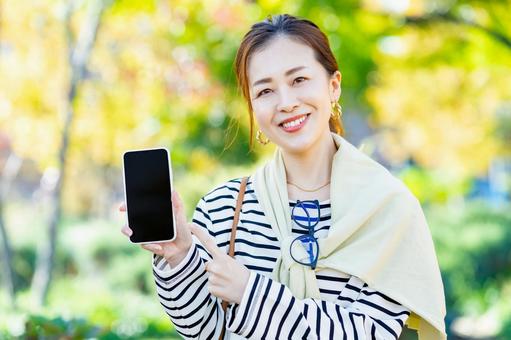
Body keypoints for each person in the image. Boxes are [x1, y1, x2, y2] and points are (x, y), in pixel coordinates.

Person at [119, 14, 446, 340]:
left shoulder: (386, 207)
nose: (286, 103)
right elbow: (204, 330)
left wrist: (250, 293)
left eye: (299, 80)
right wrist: (179, 255)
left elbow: (373, 332)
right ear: (253, 106)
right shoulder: (225, 207)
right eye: (265, 91)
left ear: (333, 86)